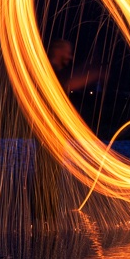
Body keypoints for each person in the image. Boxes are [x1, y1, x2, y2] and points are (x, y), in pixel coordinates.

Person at [31, 39, 104, 232]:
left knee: (49, 173)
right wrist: (93, 74)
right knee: (47, 173)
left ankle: (44, 217)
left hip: (51, 131)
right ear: (57, 51)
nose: (70, 56)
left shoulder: (51, 70)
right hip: (49, 131)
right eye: (67, 52)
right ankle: (43, 218)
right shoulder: (50, 70)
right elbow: (69, 82)